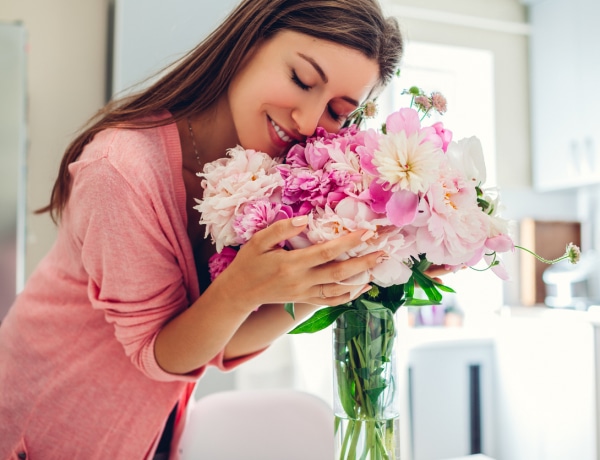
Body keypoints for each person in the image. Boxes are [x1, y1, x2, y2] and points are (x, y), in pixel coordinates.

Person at [0, 0, 403, 458]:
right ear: (248, 42)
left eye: (337, 111)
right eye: (301, 80)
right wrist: (244, 291)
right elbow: (159, 354)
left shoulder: (273, 176)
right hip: (43, 425)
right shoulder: (120, 170)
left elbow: (214, 343)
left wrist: (332, 283)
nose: (309, 122)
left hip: (147, 433)